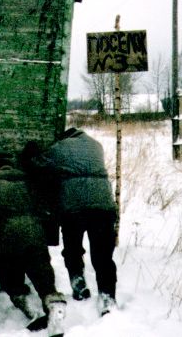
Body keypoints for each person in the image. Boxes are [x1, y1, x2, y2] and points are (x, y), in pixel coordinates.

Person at [30, 128, 119, 315]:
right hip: (102, 206)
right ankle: (107, 297)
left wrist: (32, 152)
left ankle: (78, 282)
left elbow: (37, 164)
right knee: (103, 254)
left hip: (73, 208)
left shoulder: (60, 147)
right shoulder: (97, 145)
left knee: (73, 248)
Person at [0, 151, 67, 337]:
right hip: (34, 233)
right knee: (43, 274)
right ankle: (54, 307)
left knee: (12, 279)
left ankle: (30, 311)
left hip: (7, 236)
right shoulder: (29, 181)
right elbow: (45, 207)